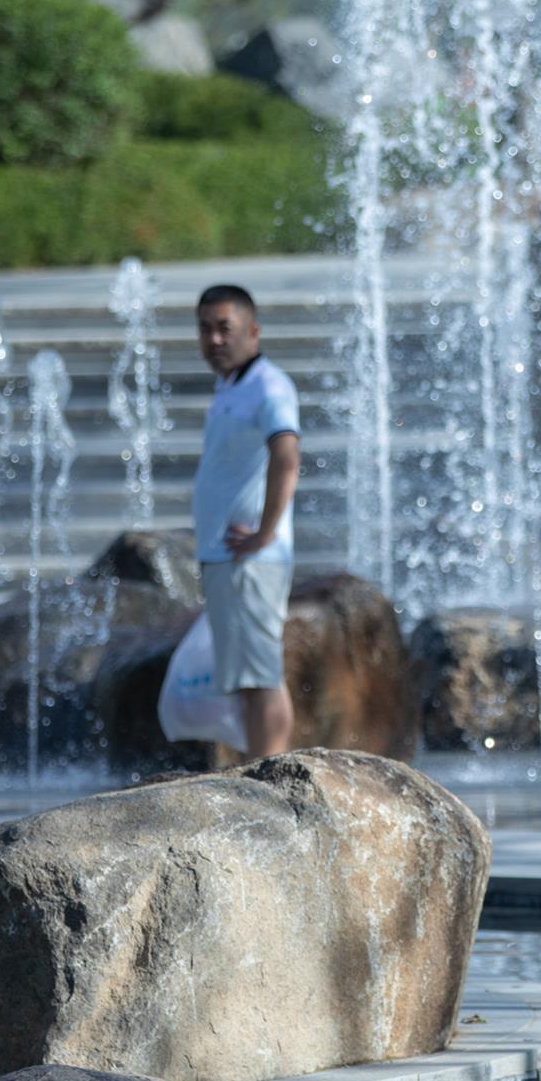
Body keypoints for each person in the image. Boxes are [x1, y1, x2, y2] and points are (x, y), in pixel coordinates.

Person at [191, 284, 300, 758]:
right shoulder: (232, 385)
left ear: (253, 331)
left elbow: (288, 454)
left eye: (224, 328)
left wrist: (265, 531)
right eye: (205, 329)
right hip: (227, 556)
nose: (214, 340)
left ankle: (270, 777)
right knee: (248, 679)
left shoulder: (269, 386)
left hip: (251, 559)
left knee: (261, 677)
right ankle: (260, 771)